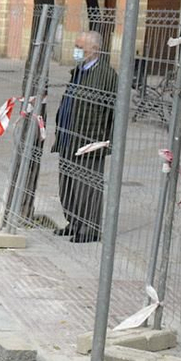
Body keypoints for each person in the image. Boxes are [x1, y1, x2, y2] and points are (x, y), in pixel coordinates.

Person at [53, 29, 117, 244]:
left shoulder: (106, 75)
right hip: (68, 136)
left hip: (89, 138)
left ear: (95, 50)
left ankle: (89, 229)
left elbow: (113, 111)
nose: (76, 51)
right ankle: (74, 221)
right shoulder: (79, 71)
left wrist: (106, 141)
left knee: (87, 185)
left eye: (81, 48)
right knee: (67, 183)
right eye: (76, 46)